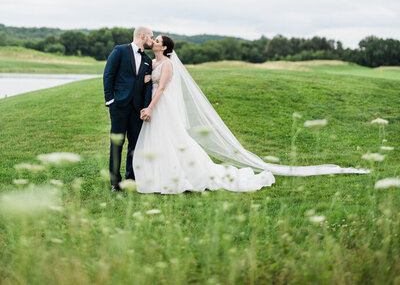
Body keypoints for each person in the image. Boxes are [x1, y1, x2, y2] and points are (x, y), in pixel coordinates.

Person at [133, 35, 370, 194]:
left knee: (176, 142)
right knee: (163, 141)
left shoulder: (168, 65)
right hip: (157, 106)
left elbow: (162, 88)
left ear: (164, 47)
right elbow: (149, 80)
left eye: (157, 40)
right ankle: (158, 174)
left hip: (161, 106)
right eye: (153, 39)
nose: (154, 41)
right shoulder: (154, 63)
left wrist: (150, 107)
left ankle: (181, 175)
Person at [103, 26, 154, 191]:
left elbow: (147, 88)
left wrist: (145, 108)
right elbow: (108, 75)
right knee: (116, 144)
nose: (152, 41)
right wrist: (110, 101)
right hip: (119, 106)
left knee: (135, 144)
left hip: (136, 109)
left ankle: (130, 178)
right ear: (143, 36)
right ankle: (114, 183)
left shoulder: (147, 60)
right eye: (151, 37)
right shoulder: (120, 51)